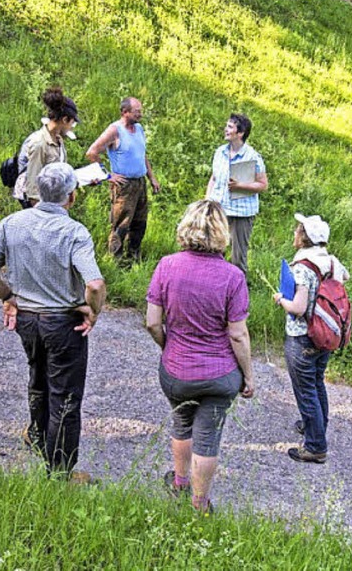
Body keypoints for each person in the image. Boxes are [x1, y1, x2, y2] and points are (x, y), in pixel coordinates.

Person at [0, 163, 106, 480]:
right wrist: (93, 311)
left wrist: (9, 297)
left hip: (27, 320)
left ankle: (37, 434)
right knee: (66, 394)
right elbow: (95, 284)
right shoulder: (74, 233)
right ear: (71, 197)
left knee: (38, 376)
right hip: (62, 322)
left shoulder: (12, 223)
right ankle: (60, 472)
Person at [146, 200, 254, 513]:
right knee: (208, 437)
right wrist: (247, 376)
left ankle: (179, 482)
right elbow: (238, 334)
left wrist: (169, 346)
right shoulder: (233, 277)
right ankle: (200, 504)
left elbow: (152, 321)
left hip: (177, 371)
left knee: (182, 424)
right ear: (223, 233)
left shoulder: (167, 265)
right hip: (220, 375)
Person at [273, 213, 349, 464]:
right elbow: (344, 278)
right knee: (316, 383)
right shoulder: (329, 261)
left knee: (305, 389)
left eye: (298, 230)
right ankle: (315, 426)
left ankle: (315, 446)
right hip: (324, 333)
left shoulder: (303, 267)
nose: (294, 232)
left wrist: (280, 299)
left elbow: (298, 308)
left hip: (303, 335)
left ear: (305, 238)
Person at [86, 97, 160, 262]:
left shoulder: (139, 129)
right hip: (123, 185)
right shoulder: (115, 130)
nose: (140, 115)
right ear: (125, 112)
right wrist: (108, 175)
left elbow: (142, 154)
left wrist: (151, 178)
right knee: (121, 224)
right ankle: (116, 261)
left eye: (140, 111)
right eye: (137, 112)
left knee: (140, 223)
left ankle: (134, 256)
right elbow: (92, 152)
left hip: (140, 183)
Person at [206, 114, 267, 276]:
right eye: (227, 126)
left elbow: (263, 184)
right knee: (213, 249)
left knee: (237, 256)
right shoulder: (220, 152)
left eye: (230, 127)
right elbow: (213, 178)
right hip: (219, 209)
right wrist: (207, 201)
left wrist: (240, 186)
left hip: (241, 213)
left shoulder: (253, 157)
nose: (226, 129)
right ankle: (214, 285)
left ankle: (238, 293)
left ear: (240, 133)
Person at [13, 87, 79, 207]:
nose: (72, 127)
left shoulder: (58, 140)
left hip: (52, 200)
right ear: (65, 119)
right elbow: (32, 186)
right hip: (38, 205)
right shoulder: (39, 143)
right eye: (72, 123)